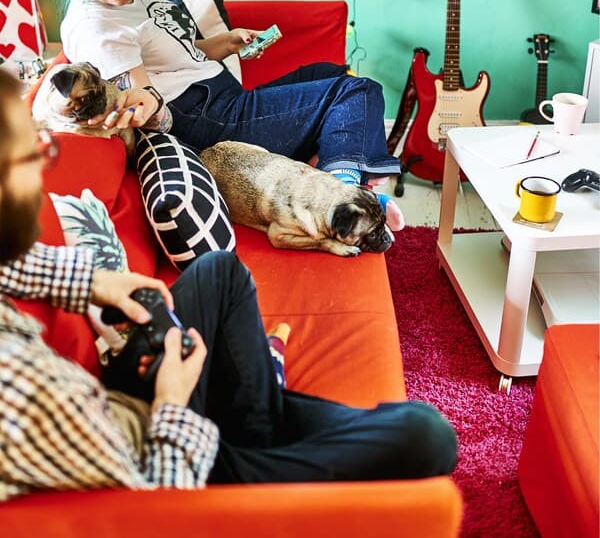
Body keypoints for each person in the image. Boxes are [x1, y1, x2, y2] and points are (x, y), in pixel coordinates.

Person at [0, 67, 458, 500]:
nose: (48, 155)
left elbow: (12, 264)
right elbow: (153, 499)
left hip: (141, 376)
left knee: (219, 267)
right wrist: (173, 400)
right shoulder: (19, 390)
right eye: (35, 153)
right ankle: (257, 440)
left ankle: (256, 410)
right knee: (425, 435)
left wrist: (94, 281)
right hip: (163, 441)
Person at [54, 0, 404, 230]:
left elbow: (177, 53)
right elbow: (149, 104)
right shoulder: (95, 26)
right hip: (205, 120)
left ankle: (331, 170)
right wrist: (144, 106)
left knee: (329, 73)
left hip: (220, 98)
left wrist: (225, 42)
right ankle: (347, 196)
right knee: (358, 92)